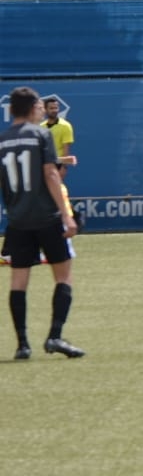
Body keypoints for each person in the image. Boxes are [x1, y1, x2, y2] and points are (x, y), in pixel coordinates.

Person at [3, 87, 85, 359]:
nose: (42, 110)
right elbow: (50, 174)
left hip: (18, 220)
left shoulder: (3, 140)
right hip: (47, 218)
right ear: (31, 108)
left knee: (18, 280)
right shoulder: (41, 134)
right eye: (39, 106)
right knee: (63, 276)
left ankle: (22, 345)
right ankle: (54, 337)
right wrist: (66, 215)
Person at [43, 97, 74, 163]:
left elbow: (66, 151)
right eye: (51, 108)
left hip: (58, 164)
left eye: (56, 108)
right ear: (45, 109)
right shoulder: (41, 126)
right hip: (43, 164)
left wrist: (63, 166)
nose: (54, 110)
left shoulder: (65, 126)